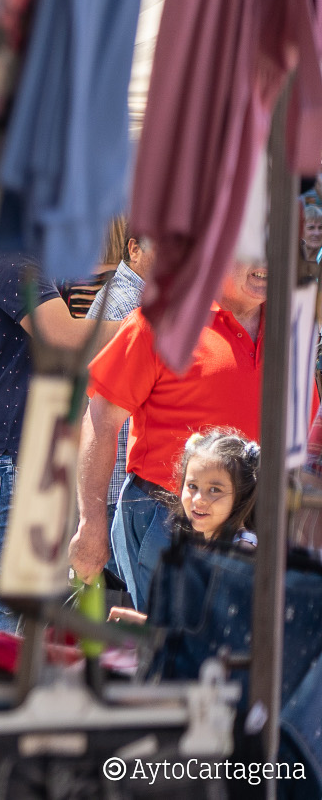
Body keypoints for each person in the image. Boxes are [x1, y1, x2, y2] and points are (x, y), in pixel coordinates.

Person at [70, 262, 266, 612]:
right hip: (168, 520)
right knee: (175, 658)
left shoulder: (290, 326)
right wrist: (91, 523)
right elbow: (100, 420)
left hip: (257, 521)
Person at [0, 252, 114, 633]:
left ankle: (1, 687)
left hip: (26, 453)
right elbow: (63, 336)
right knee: (5, 601)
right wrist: (148, 324)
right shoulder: (8, 259)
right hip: (11, 455)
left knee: (26, 603)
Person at [107, 429, 260, 624]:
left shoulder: (241, 554)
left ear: (243, 494)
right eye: (192, 486)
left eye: (215, 490)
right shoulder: (203, 545)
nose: (199, 500)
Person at [85, 220, 156, 532]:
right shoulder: (129, 305)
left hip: (120, 483)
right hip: (117, 484)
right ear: (134, 248)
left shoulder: (136, 298)